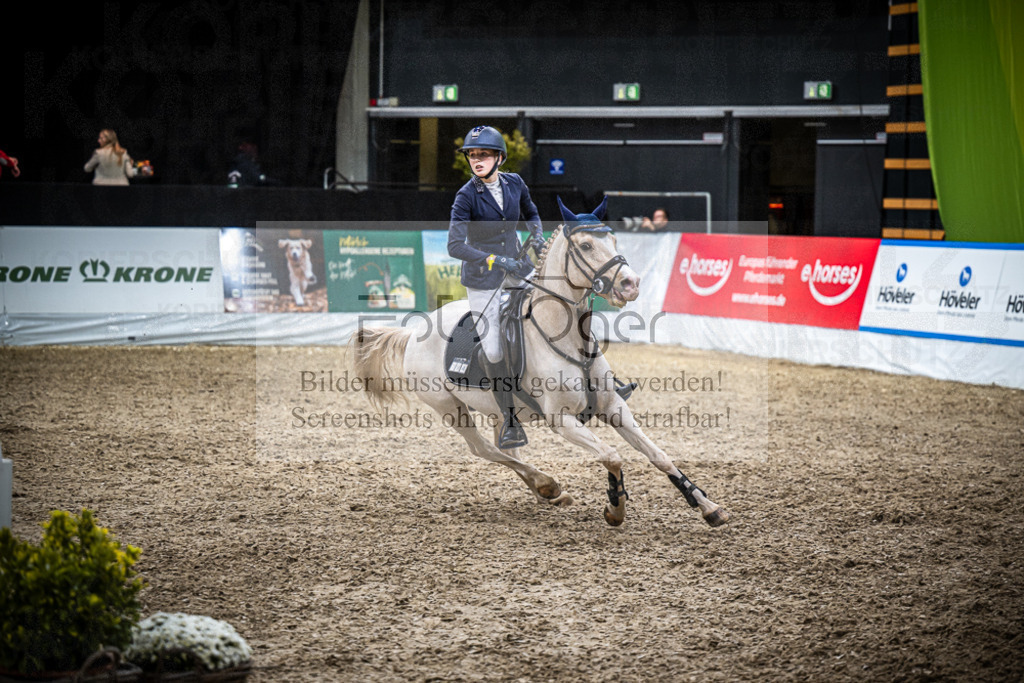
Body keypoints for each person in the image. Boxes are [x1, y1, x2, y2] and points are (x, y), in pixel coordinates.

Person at [447, 125, 543, 449]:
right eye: (472, 155)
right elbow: (455, 245)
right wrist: (494, 260)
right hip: (483, 279)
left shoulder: (515, 183)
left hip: (519, 265)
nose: (477, 159)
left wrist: (538, 236)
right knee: (492, 348)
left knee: (558, 306)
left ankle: (600, 380)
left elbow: (531, 212)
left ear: (499, 157)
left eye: (483, 154)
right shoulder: (465, 196)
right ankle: (510, 422)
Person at [84, 129, 151, 185]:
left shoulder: (98, 153)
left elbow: (87, 169)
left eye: (101, 138)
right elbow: (130, 174)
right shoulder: (123, 153)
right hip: (121, 188)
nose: (98, 140)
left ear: (108, 139)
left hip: (101, 188)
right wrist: (146, 169)